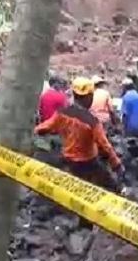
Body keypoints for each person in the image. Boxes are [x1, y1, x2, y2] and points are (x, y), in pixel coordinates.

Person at [35, 78, 125, 228]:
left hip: (69, 160)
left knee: (80, 191)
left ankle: (83, 223)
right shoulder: (91, 121)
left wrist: (35, 131)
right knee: (110, 184)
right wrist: (117, 164)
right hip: (89, 161)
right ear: (88, 97)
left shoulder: (62, 113)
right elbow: (105, 145)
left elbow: (46, 126)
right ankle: (116, 212)